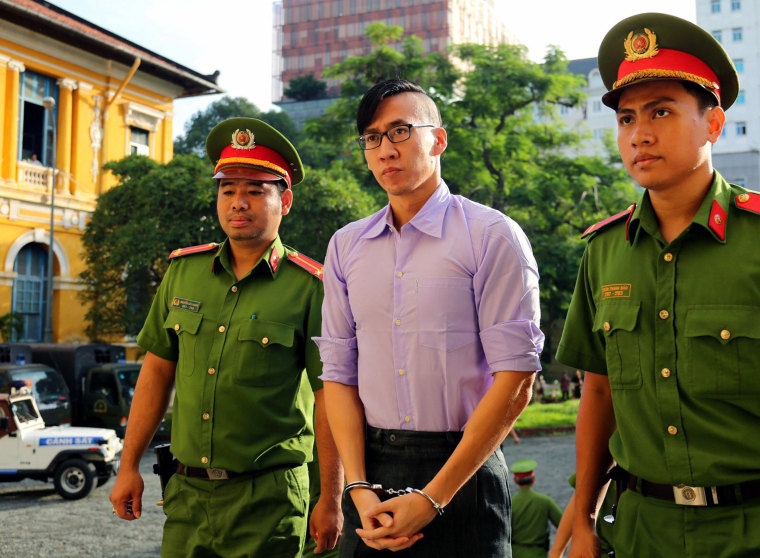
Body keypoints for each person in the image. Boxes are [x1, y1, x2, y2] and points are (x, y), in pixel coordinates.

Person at [556, 12, 760, 558]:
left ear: (714, 124)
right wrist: (580, 521)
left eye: (662, 112)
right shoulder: (604, 253)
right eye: (626, 118)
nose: (639, 134)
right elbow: (597, 392)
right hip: (641, 529)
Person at [316, 78, 543, 556]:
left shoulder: (491, 235)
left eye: (400, 131)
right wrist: (356, 487)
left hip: (464, 471)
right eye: (372, 138)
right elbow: (337, 375)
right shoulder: (345, 246)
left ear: (438, 139)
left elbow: (517, 379)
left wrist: (432, 498)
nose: (384, 149)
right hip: (371, 475)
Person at [110, 117, 343, 557]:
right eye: (228, 189)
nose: (239, 202)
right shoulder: (184, 272)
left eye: (255, 191)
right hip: (187, 496)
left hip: (269, 501)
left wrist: (330, 497)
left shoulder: (312, 287)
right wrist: (127, 466)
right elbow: (157, 373)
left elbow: (330, 396)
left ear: (285, 201)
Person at [510, 459, 563, 558]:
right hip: (539, 553)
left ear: (515, 481)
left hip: (515, 553)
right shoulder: (545, 501)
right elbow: (564, 524)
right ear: (533, 479)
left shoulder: (510, 503)